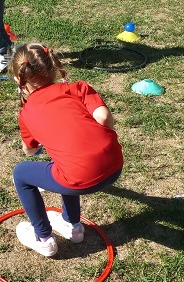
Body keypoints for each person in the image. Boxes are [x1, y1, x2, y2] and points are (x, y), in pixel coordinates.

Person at [9, 43, 124, 256]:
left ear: (19, 79)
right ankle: (73, 226)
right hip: (116, 164)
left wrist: (33, 147)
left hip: (78, 178)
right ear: (54, 66)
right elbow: (104, 117)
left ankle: (43, 237)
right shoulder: (78, 87)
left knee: (21, 174)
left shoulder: (26, 112)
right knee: (62, 165)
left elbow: (30, 151)